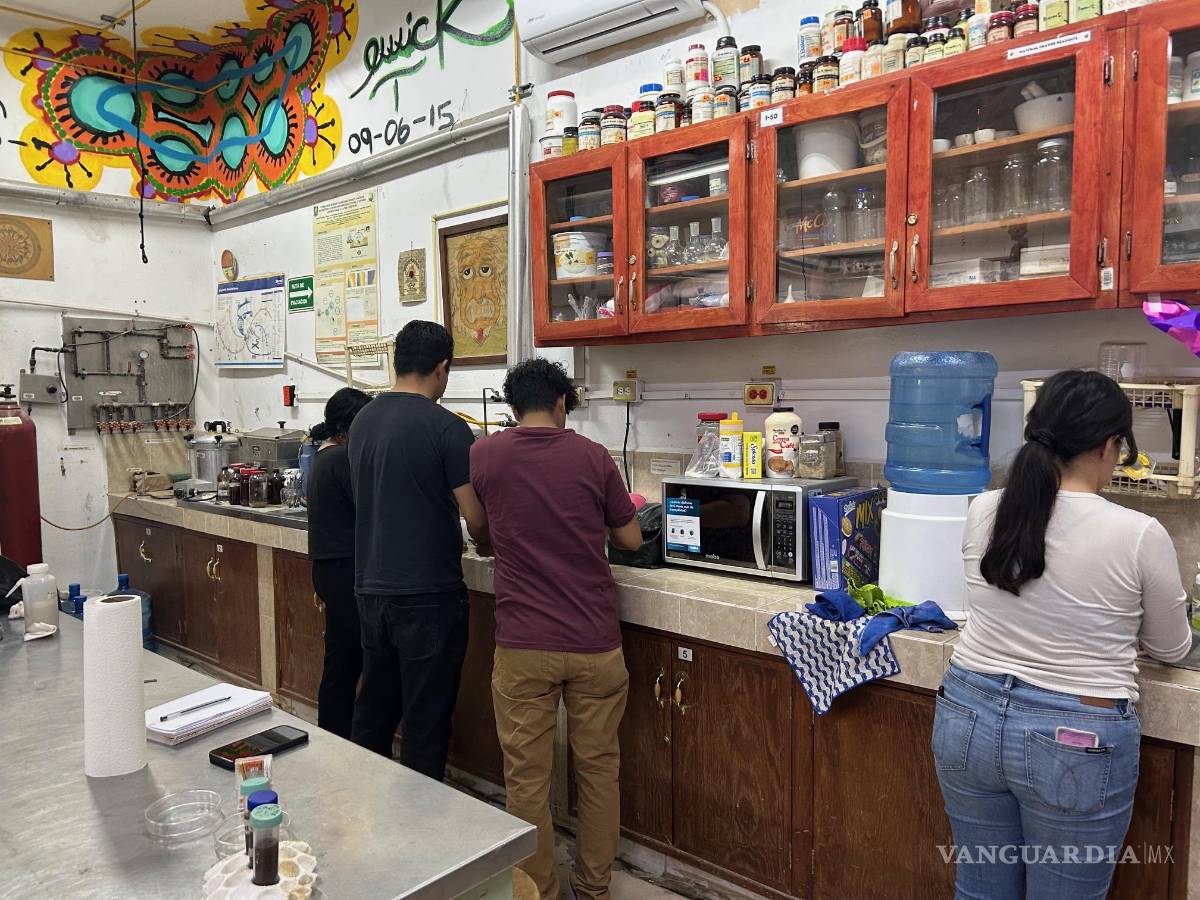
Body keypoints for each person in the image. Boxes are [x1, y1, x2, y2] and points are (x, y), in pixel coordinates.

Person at [933, 370, 1191, 899]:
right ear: (1107, 445)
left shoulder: (984, 509)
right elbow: (1173, 647)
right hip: (1075, 735)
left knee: (980, 890)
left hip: (967, 714)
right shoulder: (1138, 533)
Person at [470, 358, 642, 900]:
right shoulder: (593, 457)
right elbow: (631, 541)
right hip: (593, 642)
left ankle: (535, 890)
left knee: (527, 780)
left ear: (512, 406)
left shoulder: (485, 454)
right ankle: (592, 889)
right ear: (564, 401)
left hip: (522, 644)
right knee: (598, 771)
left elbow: (483, 531)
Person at [347, 320, 490, 781]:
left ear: (396, 360)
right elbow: (475, 518)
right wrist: (487, 544)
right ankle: (421, 834)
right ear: (442, 368)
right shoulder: (447, 428)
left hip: (371, 589)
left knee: (375, 712)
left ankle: (369, 815)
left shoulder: (362, 420)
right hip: (428, 593)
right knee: (425, 723)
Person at [307, 387, 372, 741]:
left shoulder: (324, 454)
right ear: (349, 426)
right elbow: (370, 507)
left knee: (341, 658)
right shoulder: (341, 459)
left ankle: (334, 737)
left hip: (329, 569)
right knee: (360, 660)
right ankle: (355, 740)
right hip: (344, 569)